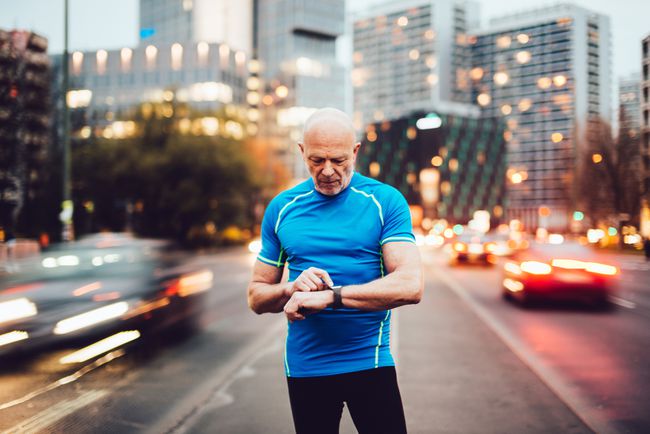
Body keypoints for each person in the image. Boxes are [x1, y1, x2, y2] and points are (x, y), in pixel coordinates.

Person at [247, 108, 423, 434]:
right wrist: (290, 289)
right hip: (306, 367)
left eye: (338, 160)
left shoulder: (386, 201)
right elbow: (256, 297)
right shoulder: (281, 209)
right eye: (317, 160)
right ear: (302, 151)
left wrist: (332, 298)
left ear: (355, 151)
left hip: (370, 361)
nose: (328, 171)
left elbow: (410, 285)